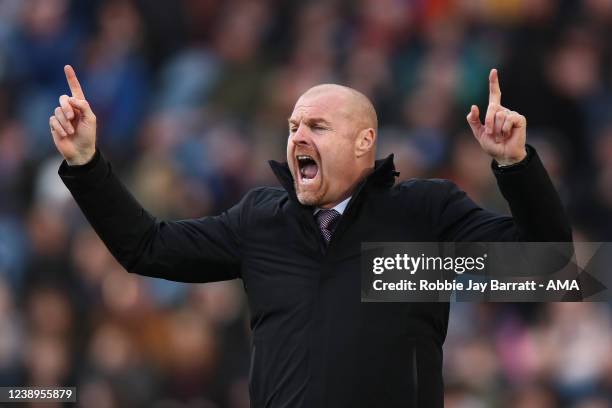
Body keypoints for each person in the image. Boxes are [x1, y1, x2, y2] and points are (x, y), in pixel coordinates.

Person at [50, 65, 571, 407]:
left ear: (365, 141)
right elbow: (147, 247)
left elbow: (548, 269)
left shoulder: (422, 212)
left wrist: (515, 165)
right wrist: (85, 163)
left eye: (317, 126)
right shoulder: (260, 221)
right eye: (293, 125)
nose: (297, 135)